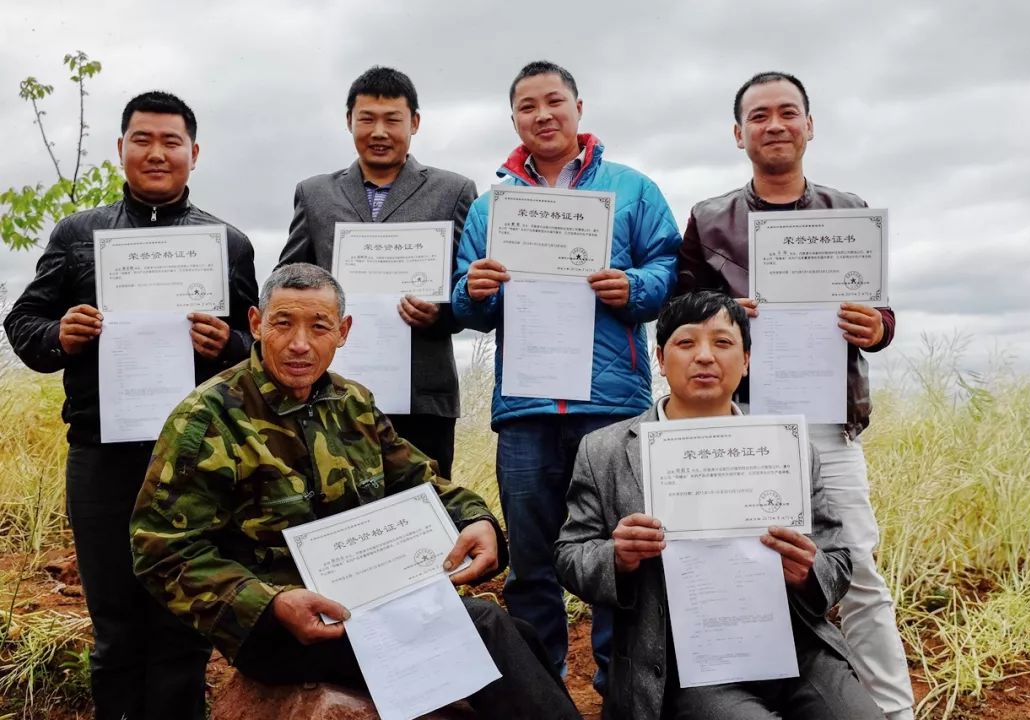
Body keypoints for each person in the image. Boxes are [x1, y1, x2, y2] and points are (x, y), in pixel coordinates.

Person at [129, 263, 583, 720]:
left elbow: (418, 479)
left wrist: (475, 519)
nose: (300, 343)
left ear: (343, 331)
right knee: (483, 630)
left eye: (319, 326)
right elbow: (161, 550)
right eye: (283, 323)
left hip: (371, 605)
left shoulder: (354, 403)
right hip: (282, 628)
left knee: (518, 633)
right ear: (255, 324)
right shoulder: (209, 417)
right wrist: (268, 603)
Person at [3, 91, 258, 720]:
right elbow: (23, 322)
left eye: (171, 141)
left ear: (193, 154)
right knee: (115, 623)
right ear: (121, 149)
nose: (156, 152)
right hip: (102, 455)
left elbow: (258, 354)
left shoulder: (227, 243)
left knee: (182, 626)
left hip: (199, 461)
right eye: (142, 139)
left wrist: (228, 343)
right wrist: (59, 334)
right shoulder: (79, 233)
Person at [675, 71, 912, 720]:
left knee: (858, 573)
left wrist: (877, 326)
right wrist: (721, 314)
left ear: (810, 125)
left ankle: (894, 713)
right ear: (738, 133)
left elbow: (881, 314)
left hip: (828, 427)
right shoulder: (706, 220)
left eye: (787, 113)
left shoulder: (848, 212)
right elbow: (677, 321)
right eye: (759, 116)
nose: (774, 124)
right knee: (744, 572)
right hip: (740, 425)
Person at [451, 60, 681, 689]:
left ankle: (620, 688)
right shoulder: (491, 205)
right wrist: (474, 290)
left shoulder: (632, 190)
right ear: (515, 119)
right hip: (525, 408)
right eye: (528, 106)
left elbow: (668, 270)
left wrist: (631, 286)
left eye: (554, 101)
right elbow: (467, 302)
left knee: (619, 557)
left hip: (611, 407)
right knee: (531, 564)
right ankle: (542, 691)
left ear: (579, 107)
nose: (543, 115)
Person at [555, 291, 883, 719]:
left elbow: (838, 562)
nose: (705, 357)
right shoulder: (606, 450)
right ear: (660, 357)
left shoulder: (789, 446)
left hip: (795, 648)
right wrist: (618, 557)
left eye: (723, 343)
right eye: (686, 343)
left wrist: (807, 571)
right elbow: (570, 555)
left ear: (747, 359)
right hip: (684, 663)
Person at [278, 65, 477, 480]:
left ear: (415, 123)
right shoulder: (315, 194)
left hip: (422, 396)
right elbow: (288, 278)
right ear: (349, 121)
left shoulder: (454, 191)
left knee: (429, 512)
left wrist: (440, 313)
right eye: (367, 119)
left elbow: (471, 288)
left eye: (393, 120)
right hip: (331, 389)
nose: (379, 131)